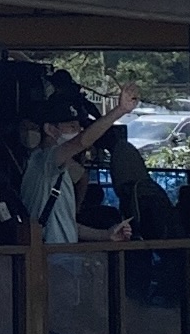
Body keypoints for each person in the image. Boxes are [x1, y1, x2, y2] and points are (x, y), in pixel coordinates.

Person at [19, 89, 136, 247]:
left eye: (79, 127)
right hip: (50, 257)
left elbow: (69, 225)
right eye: (72, 126)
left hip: (63, 255)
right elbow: (82, 141)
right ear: (50, 129)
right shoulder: (43, 161)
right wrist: (120, 110)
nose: (78, 131)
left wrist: (107, 235)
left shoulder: (58, 169)